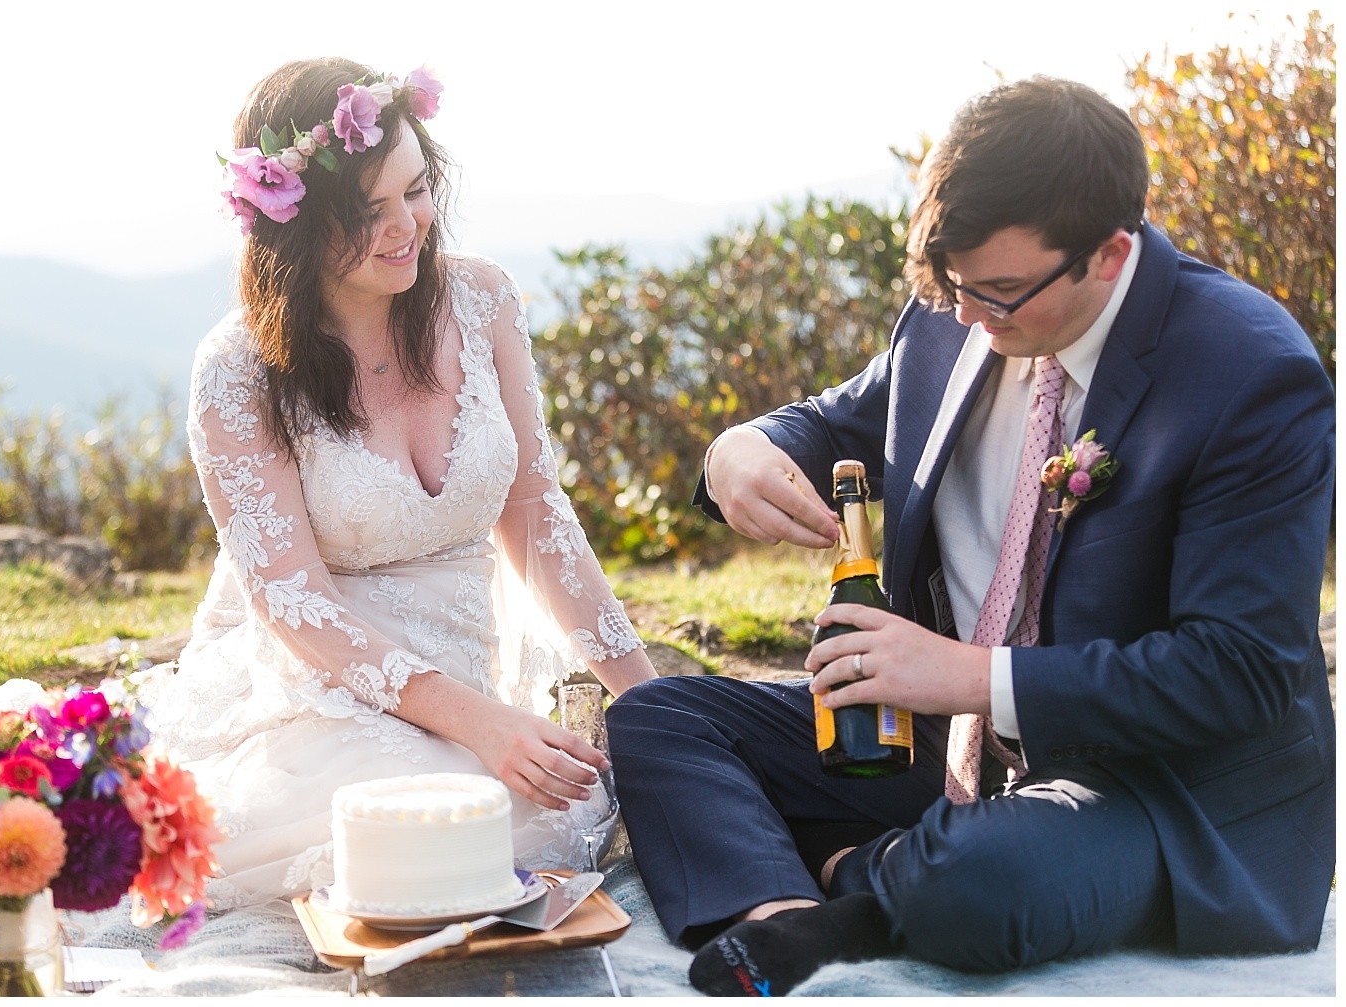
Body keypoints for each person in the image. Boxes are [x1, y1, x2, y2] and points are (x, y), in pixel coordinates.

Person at [607, 76, 1334, 995]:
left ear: (1110, 255)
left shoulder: (1250, 373)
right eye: (948, 284)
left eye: (996, 293)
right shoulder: (956, 312)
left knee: (989, 878)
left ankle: (853, 873)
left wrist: (966, 674)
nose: (965, 320)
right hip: (945, 746)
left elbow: (1243, 670)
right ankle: (783, 917)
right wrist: (737, 450)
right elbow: (837, 422)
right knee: (657, 715)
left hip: (1154, 785)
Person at [138, 57, 657, 911]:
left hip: (461, 653)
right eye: (366, 213)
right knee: (451, 823)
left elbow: (535, 518)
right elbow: (293, 602)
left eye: (415, 191)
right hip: (321, 684)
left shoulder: (484, 300)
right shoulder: (237, 371)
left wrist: (652, 697)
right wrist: (478, 722)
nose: (404, 227)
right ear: (292, 226)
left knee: (561, 796)